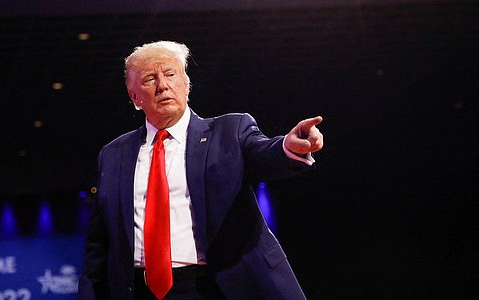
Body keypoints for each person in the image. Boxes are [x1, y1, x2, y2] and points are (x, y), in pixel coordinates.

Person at [78, 40, 324, 300]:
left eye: (170, 75)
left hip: (216, 286)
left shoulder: (230, 132)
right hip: (138, 290)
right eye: (150, 79)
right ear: (134, 96)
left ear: (186, 85)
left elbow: (264, 153)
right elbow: (99, 244)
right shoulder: (114, 154)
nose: (163, 85)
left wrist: (289, 146)